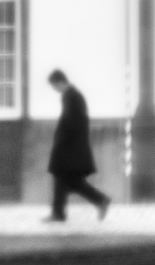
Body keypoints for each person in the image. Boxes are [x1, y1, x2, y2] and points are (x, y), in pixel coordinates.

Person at [43, 70, 111, 222]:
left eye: (54, 86)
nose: (55, 90)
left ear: (60, 82)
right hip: (71, 147)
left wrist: (61, 142)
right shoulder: (72, 96)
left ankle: (100, 201)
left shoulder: (72, 97)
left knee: (68, 180)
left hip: (70, 148)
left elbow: (71, 123)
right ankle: (59, 213)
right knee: (64, 180)